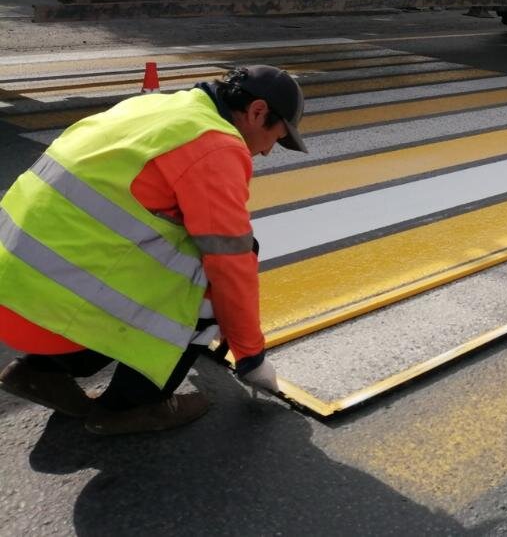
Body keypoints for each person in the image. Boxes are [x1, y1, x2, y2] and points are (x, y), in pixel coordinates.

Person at [0, 64, 307, 435]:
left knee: (177, 254)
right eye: (275, 137)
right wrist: (251, 357)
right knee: (207, 278)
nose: (268, 151)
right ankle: (133, 404)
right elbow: (231, 263)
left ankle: (43, 371)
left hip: (18, 284)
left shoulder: (161, 108)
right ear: (257, 112)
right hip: (56, 297)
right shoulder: (215, 144)